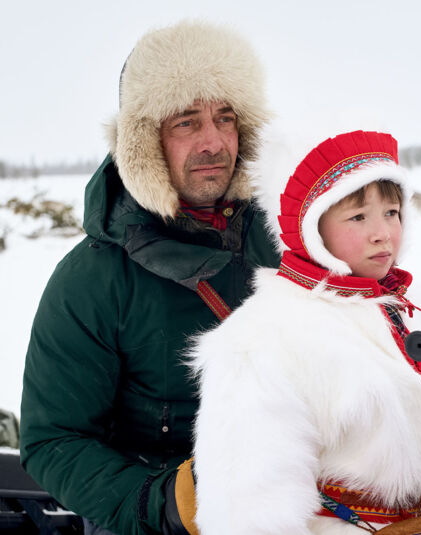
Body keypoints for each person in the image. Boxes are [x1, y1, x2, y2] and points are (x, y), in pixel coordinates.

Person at [20, 20, 279, 535]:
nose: (212, 142)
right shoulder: (92, 279)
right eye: (186, 122)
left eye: (224, 118)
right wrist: (162, 504)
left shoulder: (285, 242)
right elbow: (55, 441)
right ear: (145, 140)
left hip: (291, 496)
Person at [189, 130, 421, 534]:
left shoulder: (418, 309)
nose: (382, 232)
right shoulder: (263, 337)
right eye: (358, 217)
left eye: (391, 212)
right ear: (313, 229)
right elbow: (247, 510)